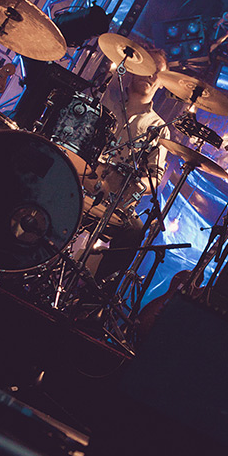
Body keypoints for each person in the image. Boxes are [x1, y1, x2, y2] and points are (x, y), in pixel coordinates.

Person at [89, 48, 171, 284]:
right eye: (147, 68)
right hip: (83, 181)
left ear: (163, 83)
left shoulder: (160, 128)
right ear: (135, 69)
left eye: (158, 73)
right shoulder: (105, 102)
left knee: (134, 231)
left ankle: (93, 300)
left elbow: (154, 181)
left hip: (116, 204)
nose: (150, 76)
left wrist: (132, 188)